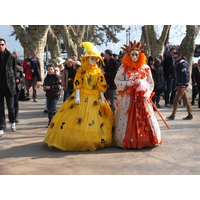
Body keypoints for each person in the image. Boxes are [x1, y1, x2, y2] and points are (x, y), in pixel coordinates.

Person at [44, 42, 113, 151]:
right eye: (91, 58)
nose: (93, 60)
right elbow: (78, 84)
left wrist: (102, 98)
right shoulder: (81, 70)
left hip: (95, 97)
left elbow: (101, 85)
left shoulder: (98, 71)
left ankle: (94, 139)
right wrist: (77, 97)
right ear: (86, 59)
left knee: (95, 120)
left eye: (95, 59)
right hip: (82, 95)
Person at [114, 41, 162, 149]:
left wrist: (146, 90)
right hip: (128, 98)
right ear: (128, 55)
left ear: (140, 55)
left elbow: (150, 82)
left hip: (142, 98)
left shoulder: (145, 68)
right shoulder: (123, 67)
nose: (135, 57)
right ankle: (128, 140)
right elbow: (117, 80)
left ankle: (147, 139)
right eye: (132, 54)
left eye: (137, 54)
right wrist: (128, 83)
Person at [166, 52, 192, 120]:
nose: (174, 59)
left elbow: (185, 76)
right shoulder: (178, 64)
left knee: (175, 100)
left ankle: (172, 115)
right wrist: (178, 85)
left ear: (179, 57)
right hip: (180, 84)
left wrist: (183, 86)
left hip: (182, 85)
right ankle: (190, 114)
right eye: (173, 57)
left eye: (175, 57)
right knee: (185, 100)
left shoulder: (182, 65)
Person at [0, 38, 17, 136]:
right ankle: (2, 126)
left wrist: (16, 81)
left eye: (2, 44)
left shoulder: (11, 57)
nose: (0, 46)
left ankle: (12, 121)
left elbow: (15, 71)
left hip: (9, 86)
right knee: (0, 108)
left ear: (5, 45)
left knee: (11, 107)